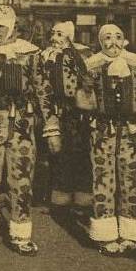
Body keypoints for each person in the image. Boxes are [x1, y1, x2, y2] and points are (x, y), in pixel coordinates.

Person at [0, 5, 61, 256]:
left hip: (21, 125)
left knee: (21, 179)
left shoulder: (29, 53)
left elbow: (43, 90)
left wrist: (52, 127)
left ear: (12, 27)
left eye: (2, 26)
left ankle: (20, 233)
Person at [76, 24, 136, 256]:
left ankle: (131, 233)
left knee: (132, 178)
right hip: (102, 131)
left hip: (130, 131)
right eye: (107, 38)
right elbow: (83, 99)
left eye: (118, 37)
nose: (113, 42)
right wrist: (84, 92)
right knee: (103, 179)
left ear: (124, 39)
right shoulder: (91, 66)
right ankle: (105, 234)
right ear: (100, 41)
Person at [41, 21, 93, 211]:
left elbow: (88, 77)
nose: (54, 38)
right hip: (56, 109)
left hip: (78, 111)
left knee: (80, 151)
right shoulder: (46, 55)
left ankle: (82, 194)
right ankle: (60, 193)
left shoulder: (82, 54)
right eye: (53, 34)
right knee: (57, 152)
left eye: (60, 34)